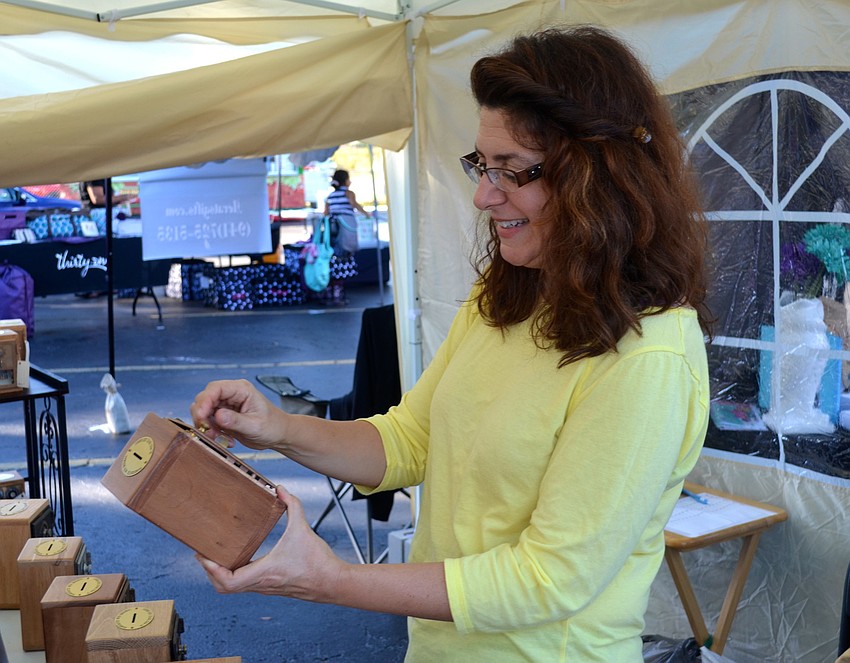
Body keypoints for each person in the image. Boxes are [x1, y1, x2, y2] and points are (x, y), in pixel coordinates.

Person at [190, 24, 712, 662]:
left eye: (512, 172)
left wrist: (333, 580)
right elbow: (410, 440)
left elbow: (549, 578)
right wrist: (279, 429)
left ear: (597, 178)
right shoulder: (511, 294)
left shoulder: (648, 354)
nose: (483, 195)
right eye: (482, 166)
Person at [321, 169, 368, 305]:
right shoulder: (348, 193)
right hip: (345, 232)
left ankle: (330, 292)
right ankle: (339, 293)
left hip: (333, 232)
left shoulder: (330, 196)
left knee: (333, 259)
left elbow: (325, 213)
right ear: (345, 180)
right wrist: (366, 214)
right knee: (343, 260)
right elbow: (354, 205)